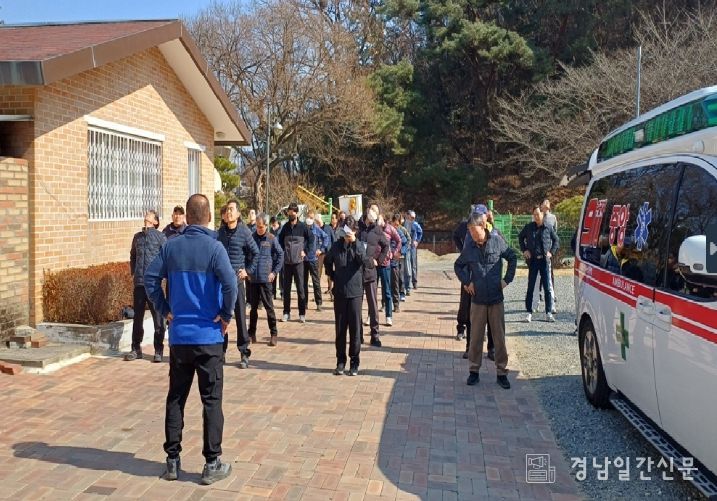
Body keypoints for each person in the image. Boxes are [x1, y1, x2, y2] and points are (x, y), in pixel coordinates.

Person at [144, 193, 237, 485]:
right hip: (209, 336)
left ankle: (172, 460)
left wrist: (164, 309)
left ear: (187, 216)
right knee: (211, 400)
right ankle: (212, 463)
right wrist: (226, 315)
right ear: (208, 216)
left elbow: (149, 278)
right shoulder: (215, 248)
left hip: (180, 337)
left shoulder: (171, 246)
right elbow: (231, 284)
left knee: (176, 397)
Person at [454, 214, 517, 389]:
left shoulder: (497, 242)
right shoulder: (470, 248)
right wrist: (467, 282)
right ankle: (473, 371)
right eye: (470, 232)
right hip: (478, 300)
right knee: (475, 338)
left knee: (499, 338)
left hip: (496, 299)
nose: (472, 235)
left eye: (474, 231)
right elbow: (458, 265)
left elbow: (512, 257)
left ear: (483, 226)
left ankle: (502, 372)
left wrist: (507, 280)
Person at [324, 216, 369, 376]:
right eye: (346, 231)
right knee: (340, 329)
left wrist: (354, 242)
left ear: (355, 231)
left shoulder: (359, 245)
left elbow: (364, 261)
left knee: (355, 329)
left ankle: (354, 362)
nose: (348, 234)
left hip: (355, 293)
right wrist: (333, 276)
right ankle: (340, 361)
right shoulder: (336, 246)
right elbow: (327, 261)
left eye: (351, 231)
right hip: (340, 292)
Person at [217, 200, 259, 368]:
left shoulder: (244, 232)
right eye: (227, 210)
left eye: (232, 210)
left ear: (238, 214)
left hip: (237, 282)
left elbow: (256, 253)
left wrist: (247, 271)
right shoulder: (220, 233)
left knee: (241, 318)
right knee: (221, 317)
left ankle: (244, 352)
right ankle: (221, 351)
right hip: (221, 283)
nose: (229, 212)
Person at [126, 210, 167, 362]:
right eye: (146, 214)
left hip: (154, 284)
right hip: (139, 284)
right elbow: (133, 255)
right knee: (137, 318)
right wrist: (134, 272)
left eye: (150, 215)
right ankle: (136, 349)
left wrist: (161, 275)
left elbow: (166, 257)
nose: (146, 216)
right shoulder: (137, 237)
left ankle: (158, 350)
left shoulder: (160, 237)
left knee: (158, 319)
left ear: (155, 222)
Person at [519, 206, 559, 323]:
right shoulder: (529, 227)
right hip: (533, 262)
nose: (536, 216)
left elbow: (556, 240)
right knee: (531, 287)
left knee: (547, 287)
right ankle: (529, 312)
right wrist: (525, 250)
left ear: (542, 214)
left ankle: (548, 313)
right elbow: (520, 238)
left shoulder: (548, 227)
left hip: (544, 261)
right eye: (534, 214)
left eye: (538, 214)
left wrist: (551, 252)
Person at [248, 213, 283, 347]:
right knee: (253, 309)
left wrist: (274, 272)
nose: (258, 229)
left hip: (266, 279)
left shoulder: (271, 239)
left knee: (269, 308)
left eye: (261, 227)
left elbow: (280, 255)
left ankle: (273, 334)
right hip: (253, 279)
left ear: (266, 226)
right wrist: (247, 271)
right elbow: (245, 255)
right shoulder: (251, 238)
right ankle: (251, 333)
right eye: (257, 226)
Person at [278, 202, 315, 323]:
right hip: (287, 263)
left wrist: (306, 251)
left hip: (299, 263)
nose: (290, 215)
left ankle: (302, 314)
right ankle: (286, 313)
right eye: (289, 213)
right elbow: (279, 241)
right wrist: (282, 252)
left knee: (300, 289)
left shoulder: (303, 227)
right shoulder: (285, 227)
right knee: (286, 290)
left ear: (297, 213)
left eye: (292, 213)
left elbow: (311, 239)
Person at [358, 208, 389, 346]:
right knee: (356, 306)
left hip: (370, 271)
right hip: (356, 272)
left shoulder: (377, 230)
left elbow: (386, 245)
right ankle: (358, 335)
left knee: (373, 305)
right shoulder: (357, 227)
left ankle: (375, 335)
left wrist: (379, 260)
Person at [303, 210, 326, 312]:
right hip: (303, 259)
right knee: (303, 282)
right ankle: (304, 303)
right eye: (308, 217)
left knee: (316, 281)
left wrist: (321, 249)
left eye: (311, 218)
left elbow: (325, 237)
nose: (309, 219)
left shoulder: (316, 229)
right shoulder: (302, 228)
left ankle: (319, 303)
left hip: (313, 259)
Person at [379, 213, 401, 324]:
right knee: (373, 291)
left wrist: (394, 252)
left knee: (389, 287)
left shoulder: (391, 229)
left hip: (387, 262)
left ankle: (390, 312)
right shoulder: (374, 229)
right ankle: (371, 314)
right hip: (374, 263)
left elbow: (400, 240)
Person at [539, 199, 558, 313]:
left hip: (549, 250)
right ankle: (538, 293)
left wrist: (552, 250)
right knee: (538, 274)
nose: (545, 207)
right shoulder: (538, 216)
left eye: (547, 205)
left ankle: (552, 295)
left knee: (550, 274)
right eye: (543, 205)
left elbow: (555, 233)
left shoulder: (553, 218)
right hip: (538, 251)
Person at [394, 215, 411, 302]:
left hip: (401, 256)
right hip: (392, 256)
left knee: (401, 275)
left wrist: (402, 251)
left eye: (398, 221)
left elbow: (408, 241)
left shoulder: (403, 230)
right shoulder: (391, 229)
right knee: (394, 277)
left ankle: (402, 293)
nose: (396, 224)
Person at [406, 210, 423, 290]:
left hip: (412, 247)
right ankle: (406, 283)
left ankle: (414, 282)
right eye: (412, 217)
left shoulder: (416, 224)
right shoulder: (403, 224)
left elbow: (420, 232)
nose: (413, 219)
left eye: (414, 218)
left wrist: (417, 241)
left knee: (413, 264)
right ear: (407, 216)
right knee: (406, 265)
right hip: (405, 246)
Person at [324, 212, 339, 300]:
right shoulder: (327, 228)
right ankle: (330, 290)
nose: (333, 220)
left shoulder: (340, 229)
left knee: (337, 272)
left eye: (334, 218)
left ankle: (335, 289)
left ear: (337, 219)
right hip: (329, 253)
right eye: (331, 218)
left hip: (337, 253)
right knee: (329, 273)